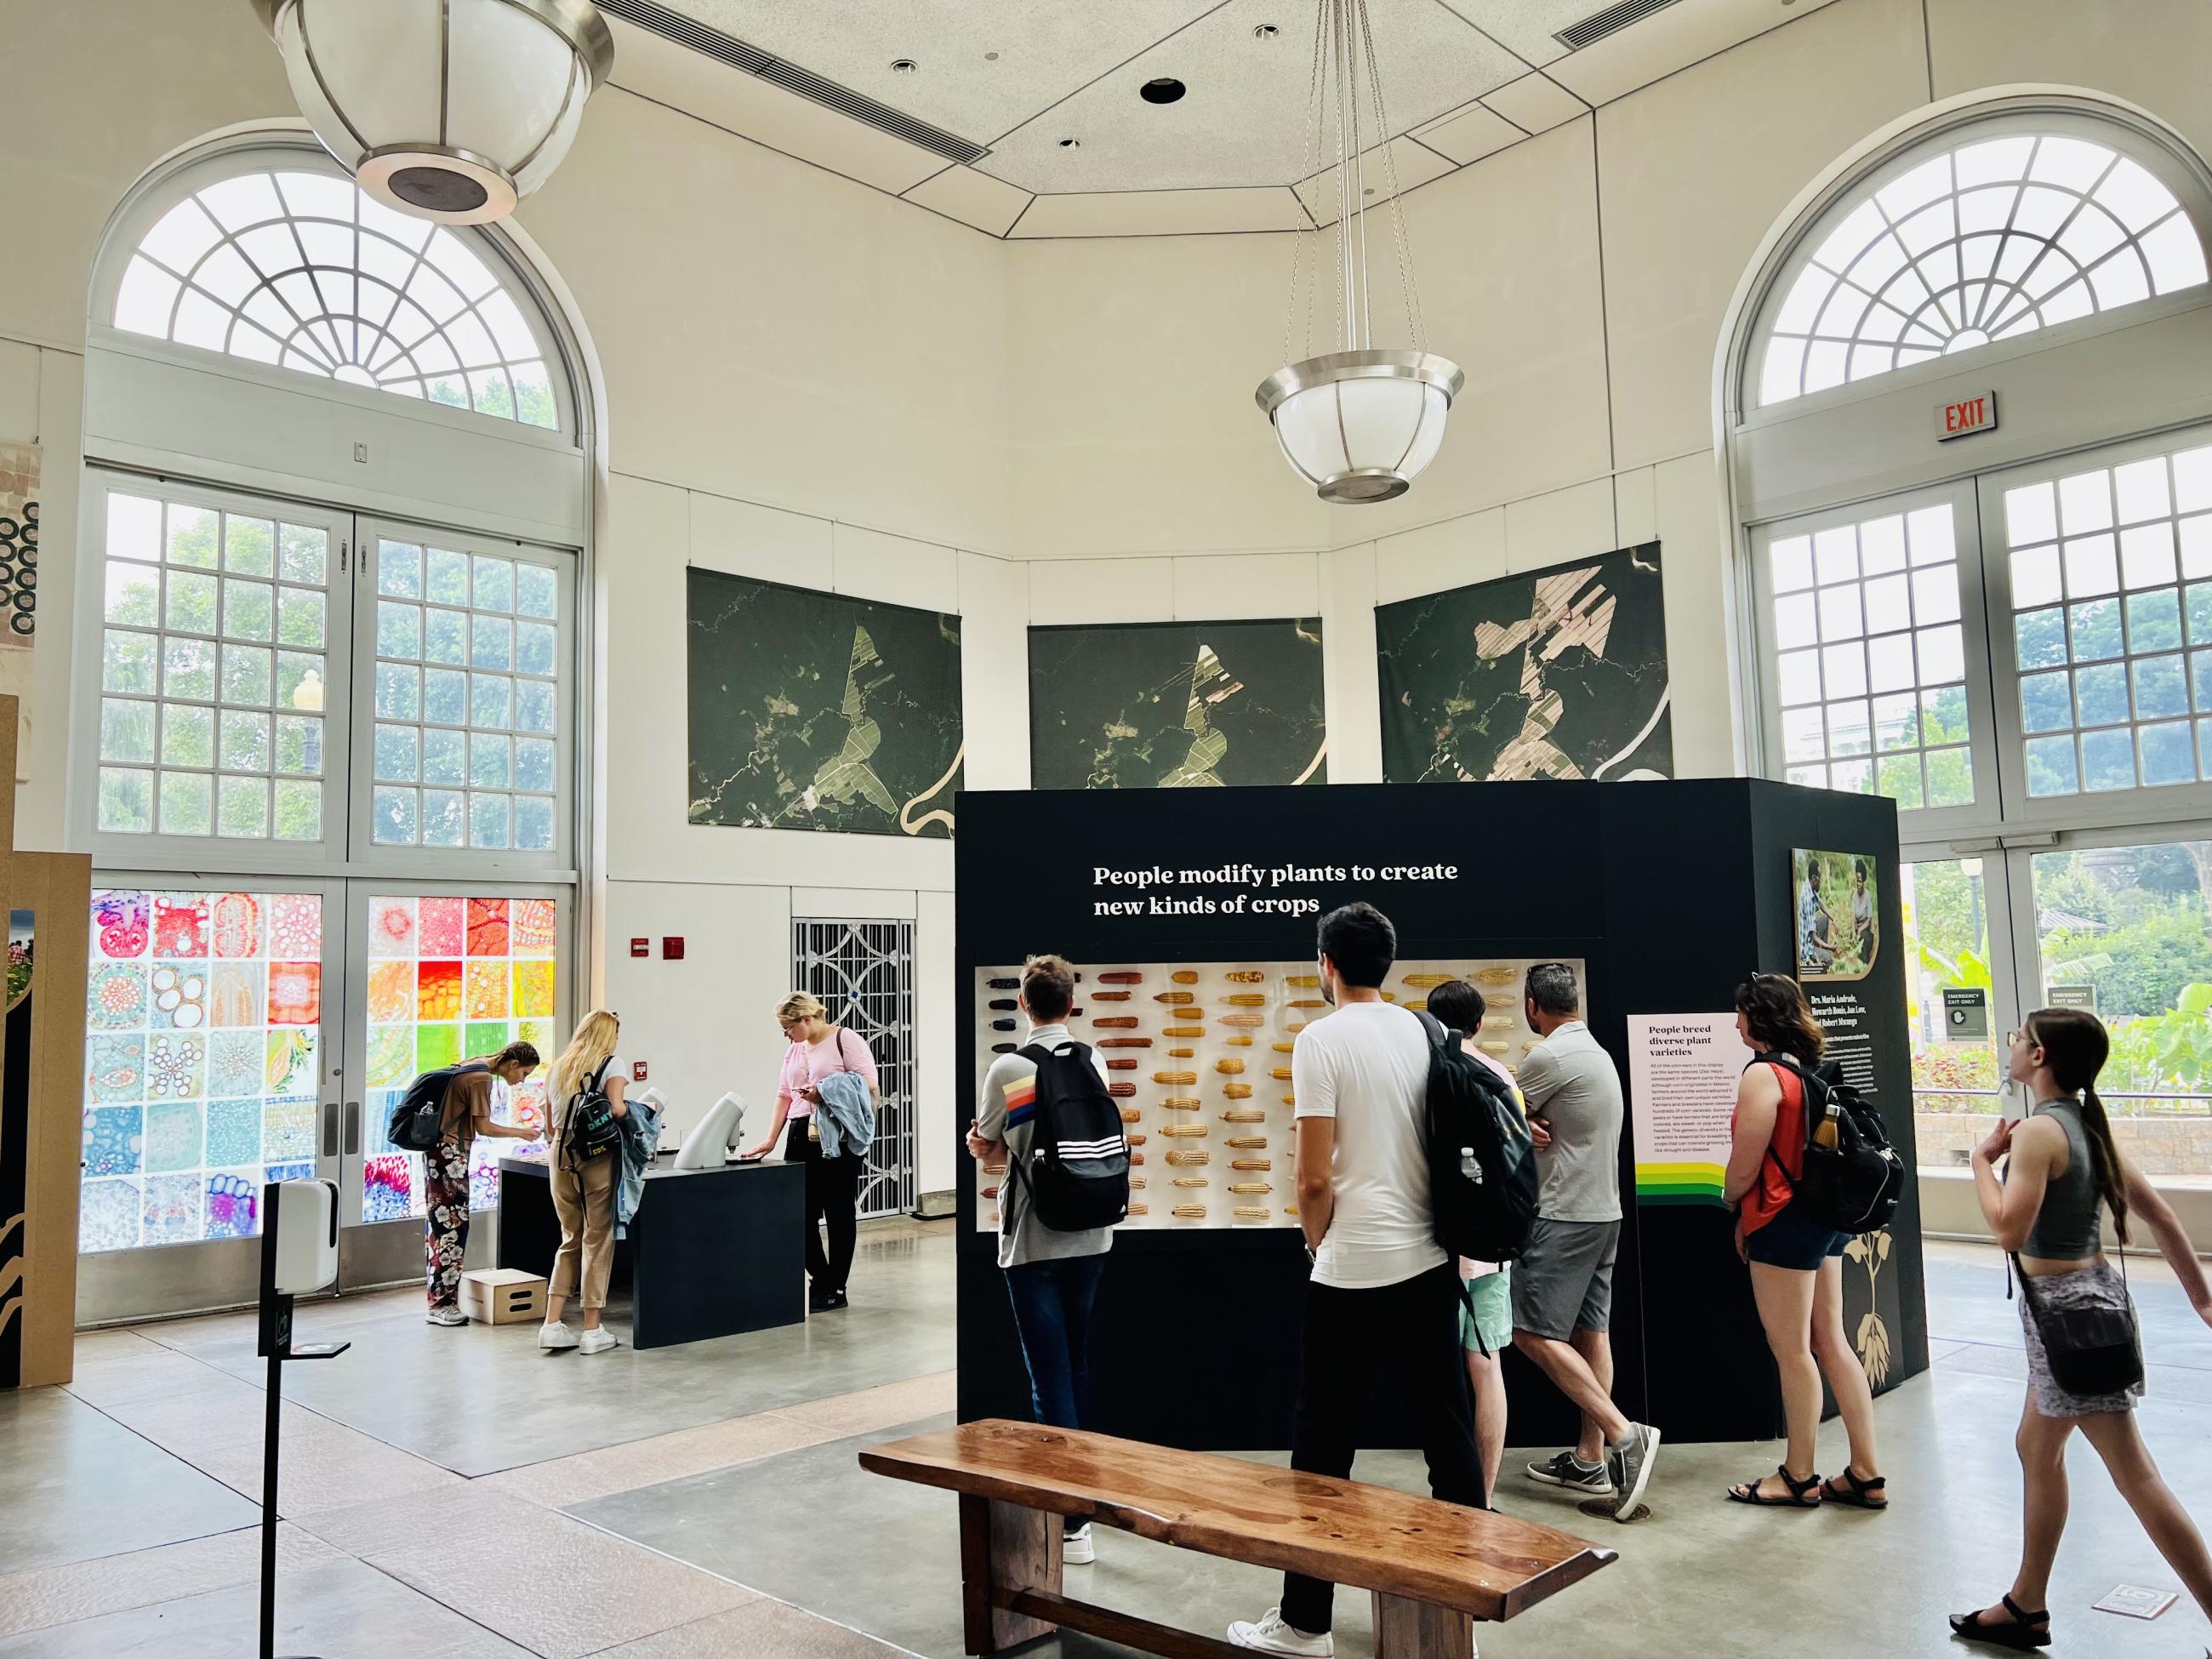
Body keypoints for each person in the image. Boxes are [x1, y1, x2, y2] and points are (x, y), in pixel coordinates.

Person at [1229, 904, 1485, 1658]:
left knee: (1323, 1448)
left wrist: (1318, 1245)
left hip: (1350, 1270)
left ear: (1326, 964)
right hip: (1429, 1261)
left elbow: (1313, 1176)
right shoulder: (1426, 1030)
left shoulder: (1320, 1038)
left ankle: (1307, 1622)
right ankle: (1459, 1608)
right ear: (1389, 964)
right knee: (1447, 1432)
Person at [1951, 1008, 2212, 1651]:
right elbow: (2163, 1218)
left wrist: (1983, 1163)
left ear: (2039, 1058)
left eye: (2020, 1039)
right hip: (2085, 1308)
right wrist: (2203, 1301)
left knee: (2135, 1473)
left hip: (2066, 1319)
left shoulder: (2041, 1133)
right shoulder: (2086, 1127)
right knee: (2035, 1448)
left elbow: (2008, 1231)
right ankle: (2026, 1605)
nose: (2012, 1046)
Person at [966, 953, 1115, 1567]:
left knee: (1045, 1375)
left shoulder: (1010, 1067)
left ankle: (1071, 1519)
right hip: (1093, 1235)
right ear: (1071, 1004)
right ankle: (1082, 1504)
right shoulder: (1094, 1058)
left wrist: (979, 1144)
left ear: (1024, 1004)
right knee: (1074, 1366)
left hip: (1033, 1239)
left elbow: (997, 1151)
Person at [1719, 973, 1884, 1509]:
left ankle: (1799, 1475)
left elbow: (1745, 1166)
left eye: (1741, 1012)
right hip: (1824, 1217)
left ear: (1758, 1018)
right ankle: (1865, 1472)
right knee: (1831, 1340)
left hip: (1783, 1222)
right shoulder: (1813, 1072)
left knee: (1792, 1352)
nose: (1736, 1021)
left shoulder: (1763, 1075)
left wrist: (1731, 1201)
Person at [1510, 961, 1660, 1519]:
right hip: (1603, 1212)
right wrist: (1525, 1121)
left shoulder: (1549, 1056)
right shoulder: (1593, 1051)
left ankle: (1624, 1436)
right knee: (1590, 1330)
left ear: (1533, 1005)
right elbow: (1526, 1115)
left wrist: (1515, 1120)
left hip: (1564, 1216)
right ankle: (1589, 1456)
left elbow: (1491, 1107)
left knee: (1527, 1332)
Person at [1425, 977, 1516, 1507]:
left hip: (1435, 1249)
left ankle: (1451, 1499)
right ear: (1480, 1023)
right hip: (1491, 1248)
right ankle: (1481, 1497)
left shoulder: (1424, 1073)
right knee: (1487, 1369)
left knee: (1437, 1379)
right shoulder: (1500, 1074)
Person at [747, 992, 881, 1312]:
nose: (787, 1035)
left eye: (789, 1027)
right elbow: (783, 1095)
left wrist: (823, 1091)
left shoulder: (845, 1039)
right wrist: (770, 1139)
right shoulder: (794, 1051)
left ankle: (837, 1286)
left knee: (838, 1210)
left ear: (807, 1019)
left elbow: (869, 1083)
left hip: (838, 1136)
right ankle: (821, 1279)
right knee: (799, 1211)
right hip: (800, 1132)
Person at [423, 1041, 541, 1325]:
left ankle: (440, 1298)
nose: (522, 1080)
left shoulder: (475, 1062)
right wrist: (522, 1132)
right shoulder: (481, 1078)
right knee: (452, 1227)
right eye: (524, 1073)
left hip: (439, 1151)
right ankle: (442, 1304)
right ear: (512, 1064)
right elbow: (484, 1126)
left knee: (441, 1228)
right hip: (450, 1155)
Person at [539, 1011, 630, 1354]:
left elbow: (549, 1123)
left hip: (559, 1153)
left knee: (570, 1238)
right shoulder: (613, 1064)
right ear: (608, 1036)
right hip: (596, 1156)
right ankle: (593, 1330)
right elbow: (618, 1109)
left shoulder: (559, 1066)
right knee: (598, 1238)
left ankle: (551, 1324)